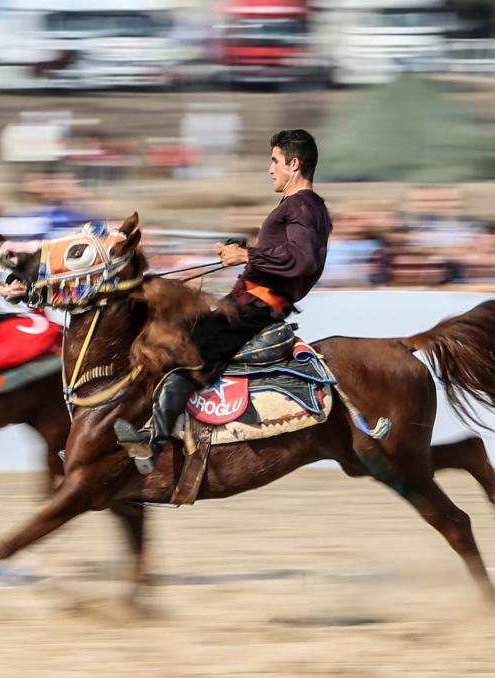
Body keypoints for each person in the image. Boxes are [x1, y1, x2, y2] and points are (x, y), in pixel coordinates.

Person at [115, 129, 333, 473]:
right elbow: (289, 256)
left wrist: (246, 254)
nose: (270, 169)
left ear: (294, 164)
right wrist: (245, 251)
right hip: (252, 305)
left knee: (181, 352)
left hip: (255, 310)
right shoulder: (306, 206)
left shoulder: (301, 205)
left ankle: (152, 445)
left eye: (275, 161)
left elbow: (302, 261)